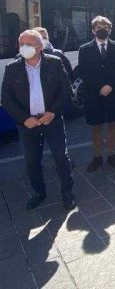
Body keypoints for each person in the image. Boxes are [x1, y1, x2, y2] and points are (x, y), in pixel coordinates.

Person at [1, 30, 75, 210]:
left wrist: (53, 113)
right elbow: (6, 98)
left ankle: (67, 192)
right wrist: (24, 119)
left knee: (61, 157)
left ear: (40, 46)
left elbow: (66, 91)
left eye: (29, 44)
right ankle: (39, 192)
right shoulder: (12, 68)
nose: (24, 48)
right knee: (32, 160)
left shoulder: (54, 63)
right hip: (27, 124)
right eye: (21, 44)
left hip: (52, 120)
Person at [78, 16, 115, 172]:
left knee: (113, 125)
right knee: (96, 126)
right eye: (99, 27)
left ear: (110, 30)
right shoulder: (84, 49)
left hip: (113, 93)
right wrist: (99, 87)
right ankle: (97, 157)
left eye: (105, 28)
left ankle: (112, 155)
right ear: (93, 30)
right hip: (94, 94)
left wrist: (110, 86)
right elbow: (83, 72)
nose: (102, 30)